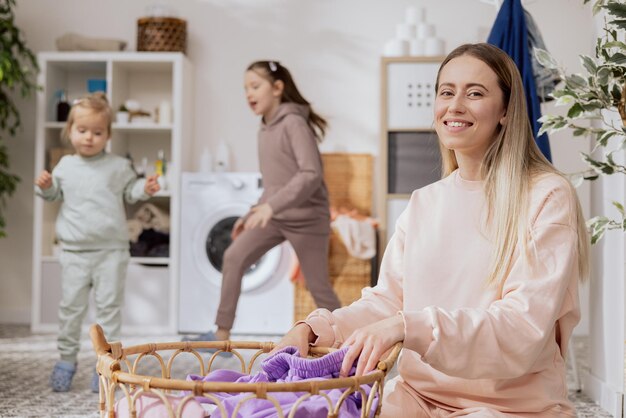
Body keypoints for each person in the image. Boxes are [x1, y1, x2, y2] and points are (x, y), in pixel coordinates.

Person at [273, 43, 590, 417]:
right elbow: (387, 301)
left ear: (505, 110)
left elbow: (521, 329)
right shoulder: (425, 202)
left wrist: (410, 326)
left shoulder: (546, 195)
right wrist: (315, 329)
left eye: (475, 93)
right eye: (446, 92)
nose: (455, 106)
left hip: (511, 407)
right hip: (417, 398)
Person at [187, 60, 341, 344]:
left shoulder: (294, 123)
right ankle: (222, 334)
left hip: (308, 219)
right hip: (277, 214)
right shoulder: (264, 129)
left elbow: (311, 174)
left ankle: (348, 340)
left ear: (278, 88)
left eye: (255, 86)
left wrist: (271, 207)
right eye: (245, 88)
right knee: (234, 256)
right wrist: (253, 213)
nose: (249, 93)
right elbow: (274, 184)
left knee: (319, 288)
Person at [35, 92, 161, 392]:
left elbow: (131, 192)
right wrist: (48, 186)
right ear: (70, 131)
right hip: (75, 252)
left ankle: (106, 366)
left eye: (97, 132)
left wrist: (145, 187)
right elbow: (54, 197)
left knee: (109, 311)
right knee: (70, 309)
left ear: (108, 135)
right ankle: (66, 360)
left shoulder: (118, 166)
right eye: (82, 131)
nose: (89, 137)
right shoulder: (65, 165)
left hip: (111, 252)